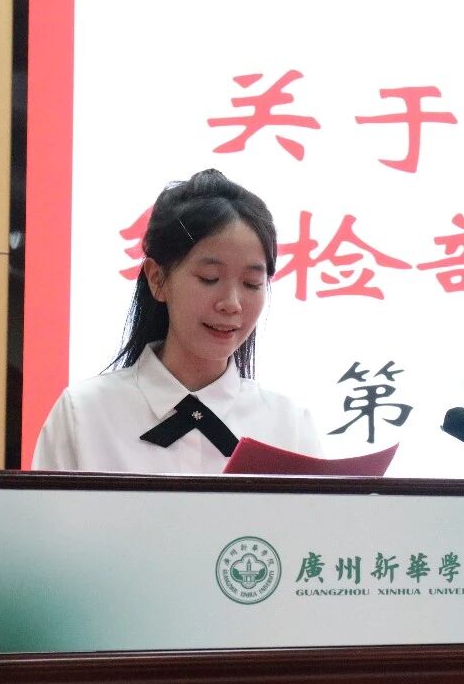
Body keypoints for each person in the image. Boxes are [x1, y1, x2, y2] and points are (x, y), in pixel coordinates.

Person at [32, 169, 321, 472]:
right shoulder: (83, 415)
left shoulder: (290, 426)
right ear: (157, 279)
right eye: (209, 278)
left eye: (252, 283)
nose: (232, 304)